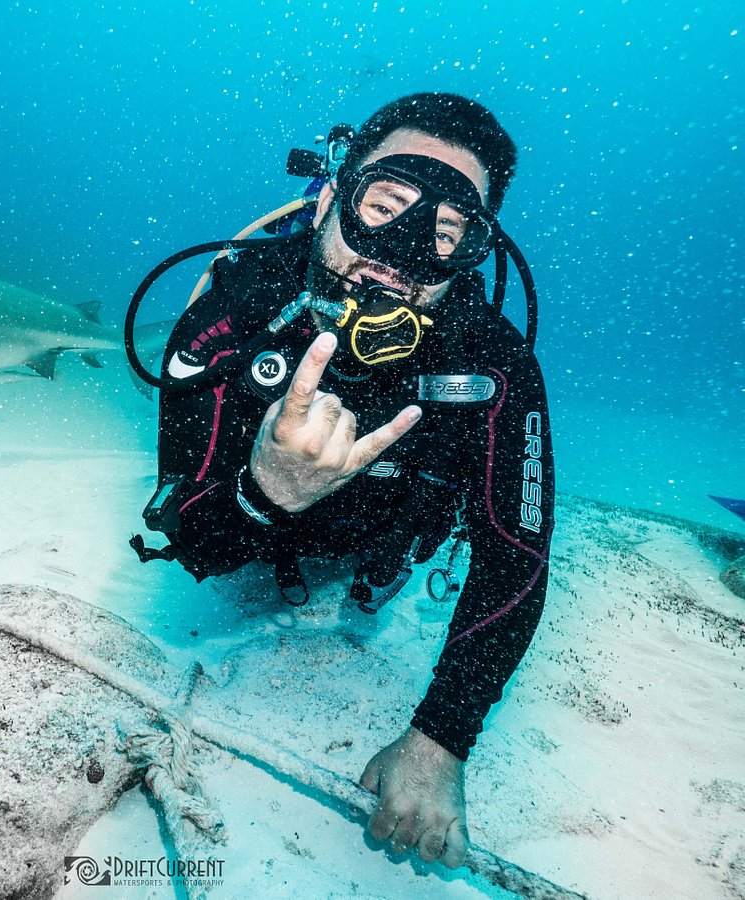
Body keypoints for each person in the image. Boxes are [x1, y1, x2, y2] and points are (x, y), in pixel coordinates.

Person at [141, 93, 554, 869]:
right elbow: (190, 538)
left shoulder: (493, 363)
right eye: (384, 205)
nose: (398, 253)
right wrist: (266, 492)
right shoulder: (236, 309)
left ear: (474, 252)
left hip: (382, 550)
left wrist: (441, 740)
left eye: (442, 233)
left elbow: (515, 559)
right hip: (252, 538)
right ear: (333, 195)